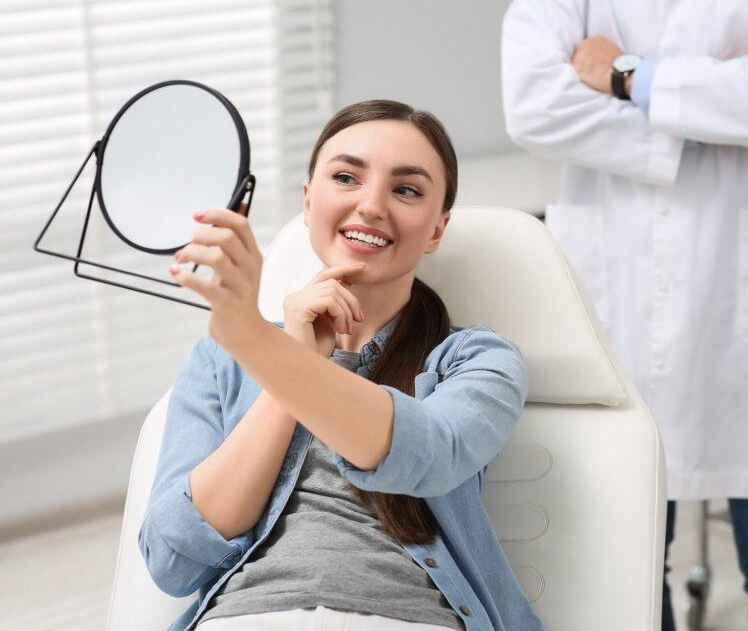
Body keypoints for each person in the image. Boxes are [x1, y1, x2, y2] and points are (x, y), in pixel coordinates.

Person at [501, 0, 748, 629]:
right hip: (620, 303)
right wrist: (725, 95)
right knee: (627, 589)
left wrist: (624, 75)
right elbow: (530, 106)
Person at [140, 100, 546, 631]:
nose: (371, 205)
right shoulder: (222, 359)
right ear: (309, 201)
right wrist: (292, 358)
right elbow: (174, 560)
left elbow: (433, 455)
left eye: (406, 189)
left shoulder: (478, 359)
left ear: (438, 228)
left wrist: (270, 351)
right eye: (346, 177)